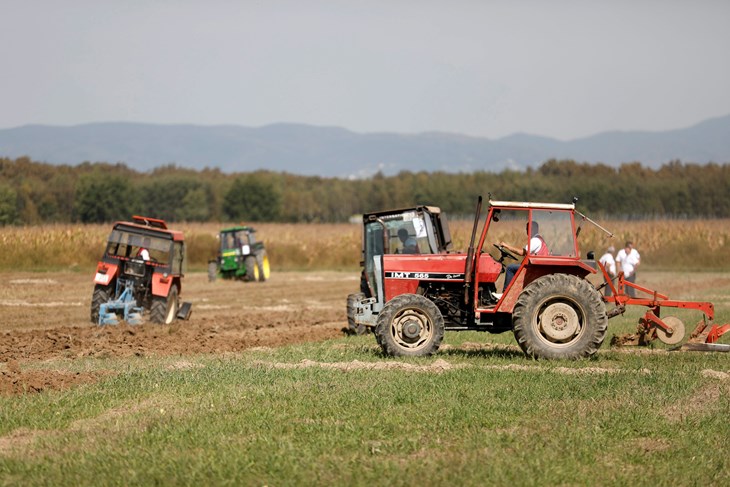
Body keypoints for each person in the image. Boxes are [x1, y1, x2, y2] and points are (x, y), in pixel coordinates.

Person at [499, 221, 548, 292]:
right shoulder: (539, 239)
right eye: (526, 229)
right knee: (515, 266)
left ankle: (505, 292)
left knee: (510, 268)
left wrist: (507, 246)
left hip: (533, 268)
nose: (527, 231)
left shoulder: (535, 240)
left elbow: (522, 252)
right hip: (535, 266)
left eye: (528, 229)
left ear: (533, 229)